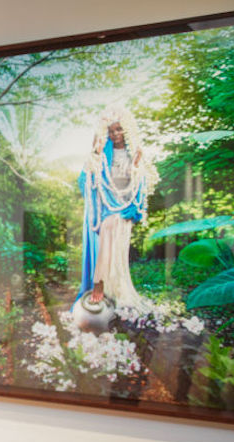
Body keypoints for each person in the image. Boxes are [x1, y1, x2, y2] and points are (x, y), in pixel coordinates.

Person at [76, 106, 158, 310]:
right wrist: (95, 152)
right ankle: (99, 284)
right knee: (107, 233)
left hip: (126, 206)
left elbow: (139, 184)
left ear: (126, 130)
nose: (115, 134)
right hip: (106, 208)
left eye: (119, 129)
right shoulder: (103, 154)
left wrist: (136, 165)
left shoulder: (134, 153)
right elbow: (85, 181)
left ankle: (116, 292)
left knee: (118, 253)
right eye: (111, 131)